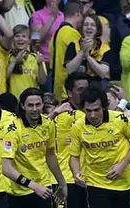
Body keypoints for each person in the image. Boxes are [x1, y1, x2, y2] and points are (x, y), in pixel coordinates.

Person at [69, 85, 130, 208]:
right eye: (88, 110)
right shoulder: (77, 126)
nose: (92, 115)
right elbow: (74, 156)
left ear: (104, 107)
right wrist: (76, 173)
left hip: (124, 183)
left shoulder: (120, 119)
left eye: (96, 110)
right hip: (96, 184)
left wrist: (122, 164)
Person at [2, 88, 68, 208]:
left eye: (38, 105)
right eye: (30, 105)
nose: (34, 109)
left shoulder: (48, 124)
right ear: (22, 106)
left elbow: (50, 155)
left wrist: (62, 183)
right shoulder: (12, 129)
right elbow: (6, 168)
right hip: (19, 192)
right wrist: (33, 186)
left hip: (43, 187)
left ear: (43, 104)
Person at [50, 72, 90, 208]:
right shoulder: (66, 114)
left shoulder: (88, 112)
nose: (85, 93)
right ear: (69, 93)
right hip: (67, 179)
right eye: (80, 90)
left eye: (87, 89)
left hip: (87, 179)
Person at [49, 2, 83, 102]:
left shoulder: (56, 33)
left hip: (56, 88)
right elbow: (76, 62)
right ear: (77, 14)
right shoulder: (72, 33)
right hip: (68, 90)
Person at [65, 14, 111, 82]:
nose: (89, 27)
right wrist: (82, 51)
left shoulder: (104, 48)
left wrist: (88, 56)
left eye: (93, 25)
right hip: (77, 86)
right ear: (81, 28)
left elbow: (104, 74)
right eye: (86, 25)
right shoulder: (73, 45)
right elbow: (70, 70)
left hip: (97, 86)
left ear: (97, 29)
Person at [7, 24, 46, 99]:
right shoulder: (8, 56)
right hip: (14, 99)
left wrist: (40, 64)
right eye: (17, 36)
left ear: (29, 40)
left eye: (24, 36)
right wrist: (15, 61)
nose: (20, 39)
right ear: (13, 39)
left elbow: (42, 81)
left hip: (31, 100)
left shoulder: (36, 56)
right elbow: (4, 77)